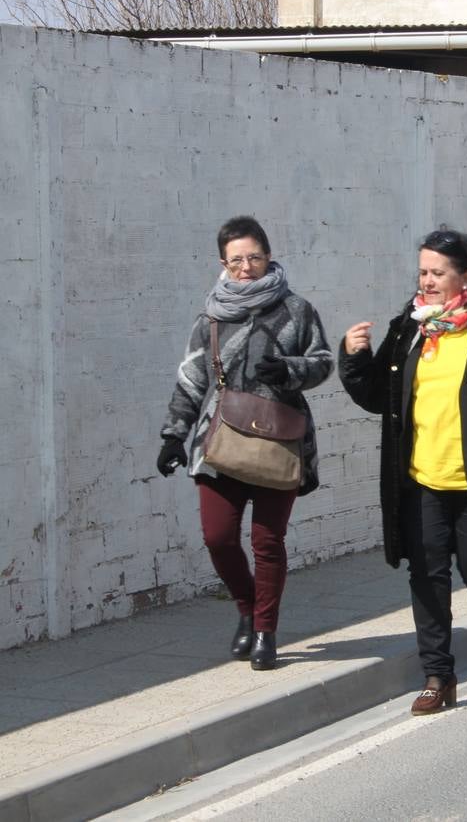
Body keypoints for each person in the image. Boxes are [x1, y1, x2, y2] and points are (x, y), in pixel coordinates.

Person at [339, 229, 467, 715]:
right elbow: (378, 396)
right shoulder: (410, 327)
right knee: (427, 575)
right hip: (419, 478)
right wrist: (352, 358)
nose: (428, 281)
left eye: (438, 273)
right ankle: (438, 676)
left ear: (466, 276)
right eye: (423, 272)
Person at [158, 215, 333, 671]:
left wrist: (292, 370)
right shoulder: (211, 317)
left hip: (281, 439)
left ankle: (265, 632)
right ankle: (246, 608)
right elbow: (192, 378)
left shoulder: (297, 310)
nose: (246, 267)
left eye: (254, 257)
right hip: (221, 442)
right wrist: (174, 436)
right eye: (236, 260)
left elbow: (322, 361)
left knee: (268, 542)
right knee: (217, 538)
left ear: (268, 256)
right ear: (223, 263)